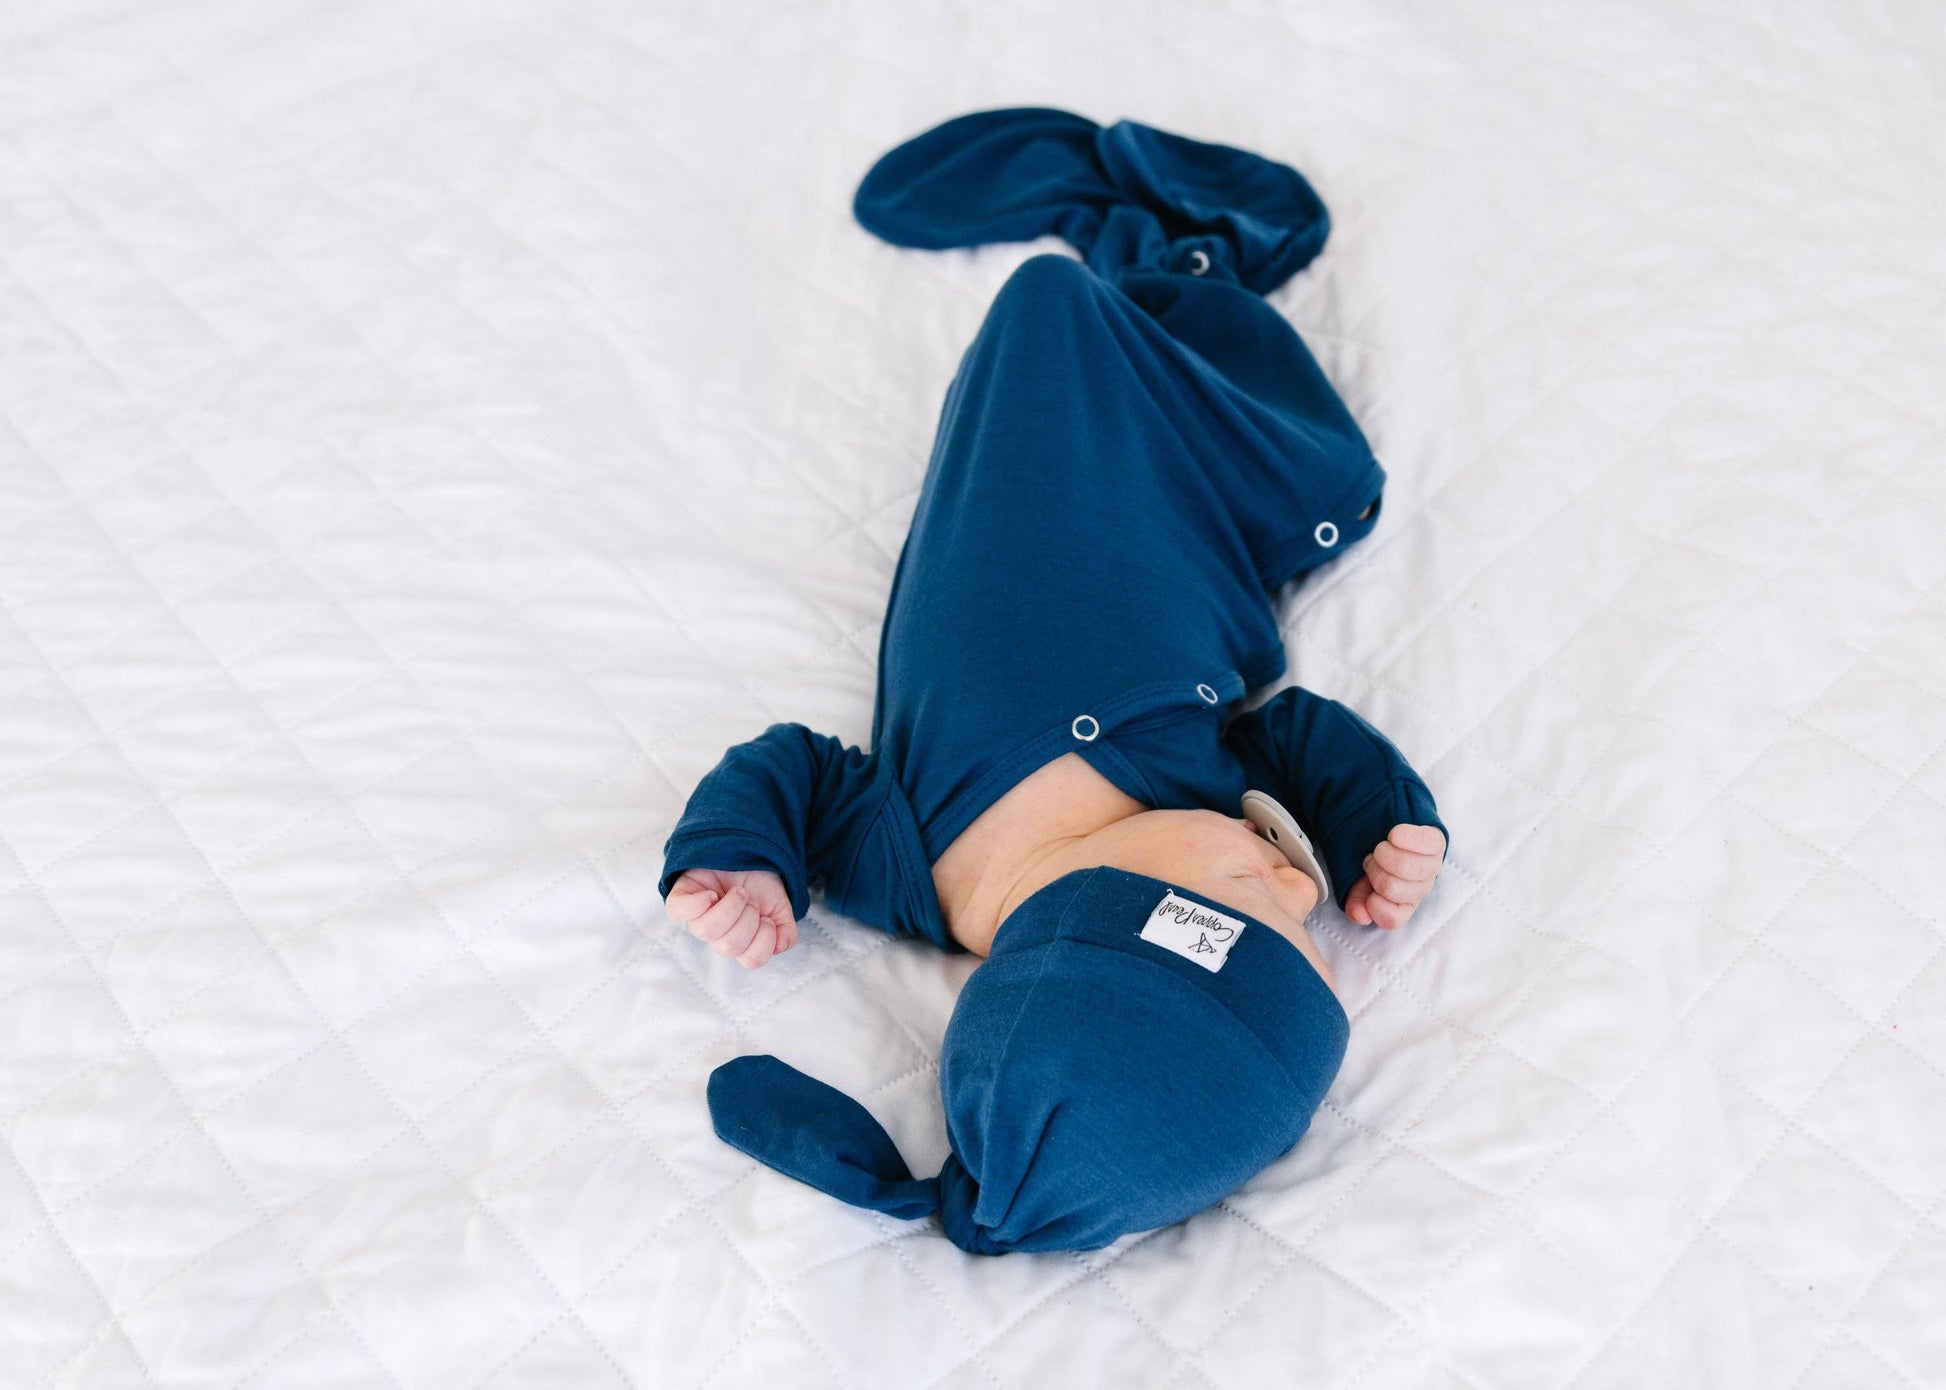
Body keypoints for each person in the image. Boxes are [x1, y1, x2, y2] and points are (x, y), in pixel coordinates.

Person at [658, 108, 1449, 1255]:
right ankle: (1165, 251)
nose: (1295, 883)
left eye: (1253, 892)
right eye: (1312, 912)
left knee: (1045, 310)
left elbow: (792, 768)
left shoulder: (905, 864)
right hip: (1186, 496)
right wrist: (1375, 819)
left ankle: (1127, 234)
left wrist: (743, 855)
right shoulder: (1190, 803)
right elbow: (1294, 737)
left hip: (1033, 415)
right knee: (1323, 473)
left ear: (1118, 925)